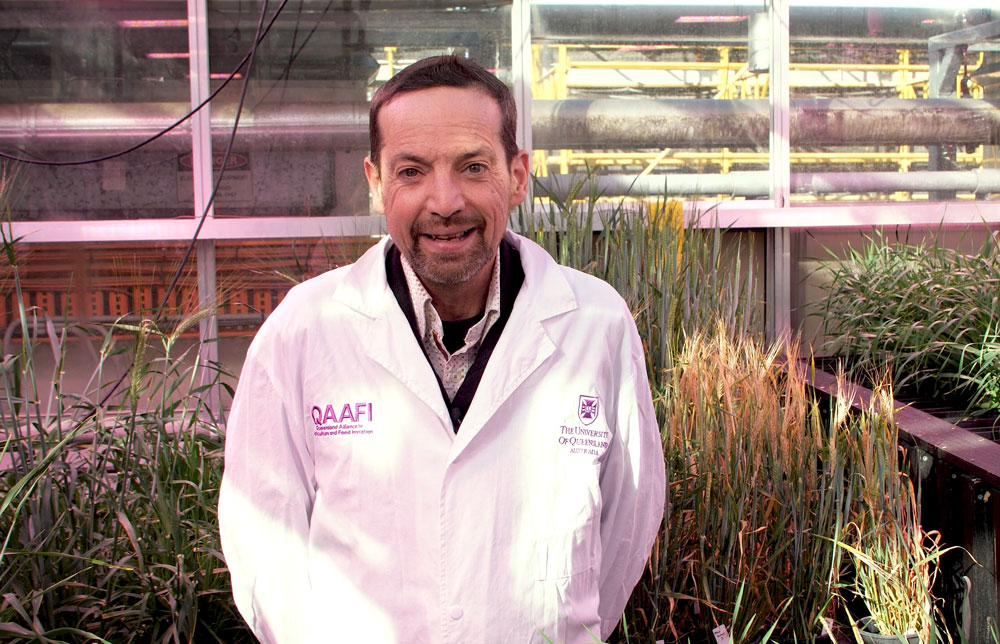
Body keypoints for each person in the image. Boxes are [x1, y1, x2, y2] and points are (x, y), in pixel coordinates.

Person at [218, 55, 665, 644]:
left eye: (473, 166)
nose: (445, 201)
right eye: (411, 171)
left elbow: (628, 522)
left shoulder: (596, 324)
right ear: (376, 181)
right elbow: (263, 539)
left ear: (518, 175)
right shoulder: (304, 330)